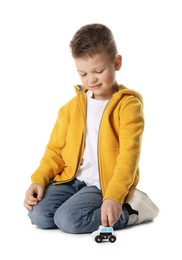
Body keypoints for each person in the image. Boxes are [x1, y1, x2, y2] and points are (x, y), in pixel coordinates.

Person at [24, 23, 159, 234]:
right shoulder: (72, 108)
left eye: (98, 71)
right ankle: (80, 204)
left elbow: (128, 157)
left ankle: (129, 211)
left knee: (68, 220)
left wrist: (113, 196)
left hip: (103, 184)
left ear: (117, 62)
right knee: (38, 215)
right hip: (72, 180)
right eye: (83, 74)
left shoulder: (128, 106)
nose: (91, 80)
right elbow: (54, 151)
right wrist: (39, 180)